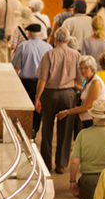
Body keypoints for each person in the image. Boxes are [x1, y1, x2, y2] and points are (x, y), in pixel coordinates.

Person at [35, 27, 82, 173]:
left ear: (55, 39)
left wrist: (37, 97)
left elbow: (42, 79)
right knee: (66, 129)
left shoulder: (49, 54)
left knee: (47, 127)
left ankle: (47, 161)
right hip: (68, 95)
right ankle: (61, 164)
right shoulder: (76, 55)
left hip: (49, 94)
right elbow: (79, 80)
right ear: (68, 39)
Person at [11, 23, 52, 139]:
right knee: (38, 108)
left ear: (29, 33)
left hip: (26, 83)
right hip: (42, 82)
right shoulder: (48, 47)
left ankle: (25, 130)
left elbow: (15, 68)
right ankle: (34, 129)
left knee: (26, 107)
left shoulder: (23, 46)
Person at [56, 56, 105, 129]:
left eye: (86, 68)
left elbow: (88, 106)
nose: (83, 70)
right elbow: (88, 92)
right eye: (81, 68)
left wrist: (67, 112)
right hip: (86, 119)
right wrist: (77, 87)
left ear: (92, 68)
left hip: (92, 120)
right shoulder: (89, 80)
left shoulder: (96, 82)